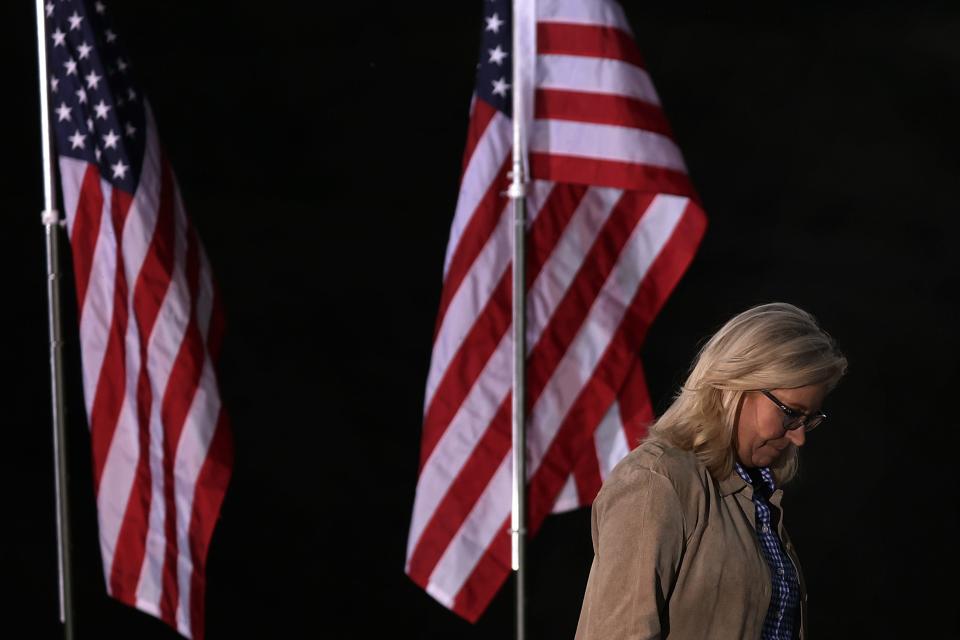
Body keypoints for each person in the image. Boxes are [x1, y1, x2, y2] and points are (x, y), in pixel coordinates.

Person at [574, 302, 847, 640]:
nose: (799, 436)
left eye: (809, 420)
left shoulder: (756, 495)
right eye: (791, 413)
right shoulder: (657, 480)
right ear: (734, 384)